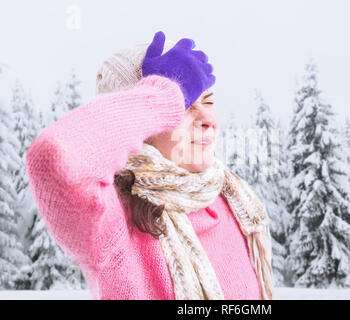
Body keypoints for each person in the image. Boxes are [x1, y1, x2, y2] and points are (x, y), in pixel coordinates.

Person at [26, 30, 274, 300]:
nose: (207, 119)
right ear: (142, 118)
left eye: (209, 101)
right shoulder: (111, 222)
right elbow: (53, 156)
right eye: (185, 103)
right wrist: (162, 97)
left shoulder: (235, 201)